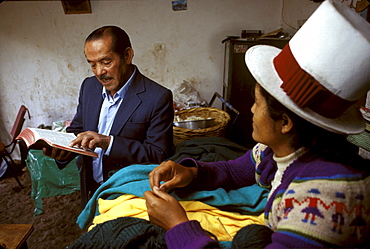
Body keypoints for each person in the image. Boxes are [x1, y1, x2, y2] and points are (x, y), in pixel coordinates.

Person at [144, 1, 370, 248]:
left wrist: (178, 226)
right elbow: (235, 171)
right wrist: (192, 173)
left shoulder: (326, 200)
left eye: (256, 102)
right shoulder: (280, 150)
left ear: (284, 123)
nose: (251, 109)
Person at [43, 26, 174, 206]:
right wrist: (62, 149)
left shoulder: (157, 97)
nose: (98, 72)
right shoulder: (89, 87)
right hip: (91, 186)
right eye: (92, 64)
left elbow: (158, 155)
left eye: (106, 62)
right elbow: (78, 130)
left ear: (127, 56)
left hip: (128, 194)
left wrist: (108, 143)